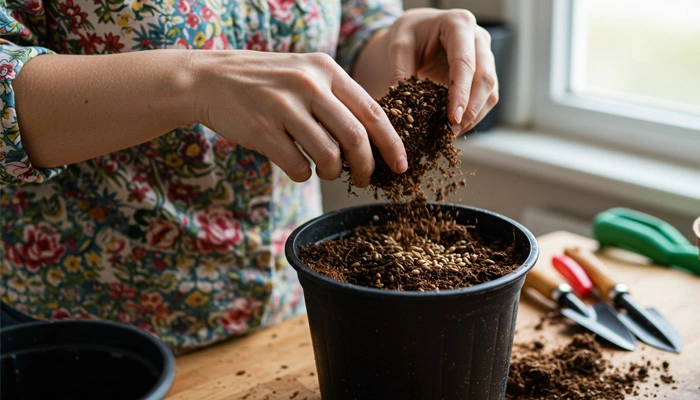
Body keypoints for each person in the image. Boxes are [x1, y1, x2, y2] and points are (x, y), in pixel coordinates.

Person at [0, 0, 498, 353]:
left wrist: (403, 43)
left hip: (293, 310)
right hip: (86, 337)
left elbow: (351, 34)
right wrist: (193, 81)